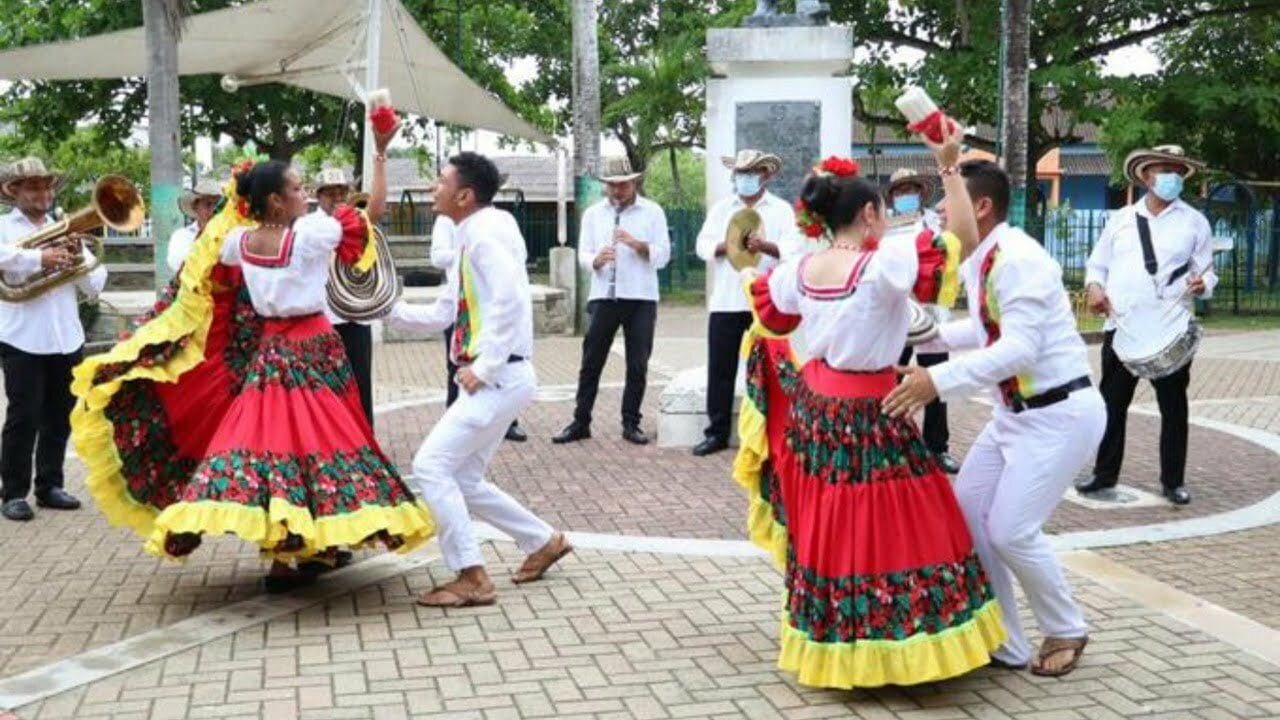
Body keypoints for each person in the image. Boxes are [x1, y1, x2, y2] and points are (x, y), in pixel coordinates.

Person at [70, 121, 434, 592]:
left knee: (276, 451)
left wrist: (236, 199)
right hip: (314, 351)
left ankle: (298, 554)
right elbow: (374, 214)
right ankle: (303, 551)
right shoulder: (309, 235)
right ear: (278, 202)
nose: (306, 195)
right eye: (298, 189)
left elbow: (201, 268)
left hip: (273, 356)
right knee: (321, 445)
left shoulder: (237, 242)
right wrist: (380, 153)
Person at [734, 124, 1003, 689]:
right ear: (872, 215)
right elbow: (963, 239)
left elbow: (773, 322)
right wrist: (948, 166)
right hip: (870, 408)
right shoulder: (881, 266)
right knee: (899, 519)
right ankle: (895, 647)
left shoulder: (799, 270)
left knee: (831, 520)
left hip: (818, 406)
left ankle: (836, 644)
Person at [884, 159, 1106, 678]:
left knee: (1010, 530)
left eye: (947, 201)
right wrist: (929, 340)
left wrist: (934, 381)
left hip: (1059, 415)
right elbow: (986, 327)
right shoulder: (979, 258)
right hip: (1013, 416)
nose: (938, 212)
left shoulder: (1019, 260)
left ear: (979, 207)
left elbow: (1020, 350)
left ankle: (1066, 625)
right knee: (966, 517)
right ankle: (1002, 638)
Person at [385, 152, 570, 608]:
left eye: (441, 181)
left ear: (464, 196)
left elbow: (509, 302)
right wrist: (384, 308)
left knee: (430, 467)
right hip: (503, 377)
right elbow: (447, 311)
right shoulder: (471, 235)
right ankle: (543, 540)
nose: (433, 187)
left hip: (498, 378)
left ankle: (471, 576)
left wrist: (484, 366)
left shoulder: (485, 236)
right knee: (463, 477)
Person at [1076, 145, 1213, 506]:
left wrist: (1204, 284)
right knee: (1112, 404)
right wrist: (1094, 289)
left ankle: (1173, 481)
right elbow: (1097, 266)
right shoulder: (1120, 219)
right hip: (1122, 327)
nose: (1170, 176)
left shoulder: (1195, 221)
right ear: (1145, 176)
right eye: (1162, 168)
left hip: (1170, 329)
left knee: (1174, 407)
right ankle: (1104, 474)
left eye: (1176, 170)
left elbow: (1206, 270)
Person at [0, 157, 108, 521]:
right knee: (23, 415)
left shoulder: (65, 229)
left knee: (59, 416)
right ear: (12, 191)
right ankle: (13, 492)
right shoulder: (3, 227)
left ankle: (50, 485)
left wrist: (77, 258)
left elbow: (95, 283)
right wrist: (39, 258)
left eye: (47, 186)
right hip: (22, 337)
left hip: (66, 335)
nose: (43, 193)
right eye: (33, 187)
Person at [553, 157, 671, 446]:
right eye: (612, 185)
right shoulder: (593, 214)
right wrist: (595, 260)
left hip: (641, 297)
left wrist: (638, 245)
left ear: (634, 183)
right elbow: (583, 254)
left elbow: (664, 255)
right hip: (604, 296)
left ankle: (631, 423)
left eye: (623, 184)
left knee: (637, 364)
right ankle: (581, 421)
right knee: (591, 361)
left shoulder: (652, 212)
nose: (617, 190)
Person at [693, 150, 799, 457]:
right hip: (726, 300)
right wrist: (724, 246)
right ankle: (717, 432)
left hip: (766, 301)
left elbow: (794, 249)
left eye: (751, 173)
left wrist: (764, 245)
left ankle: (774, 431)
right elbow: (701, 245)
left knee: (770, 367)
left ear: (765, 175)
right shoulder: (722, 208)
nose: (745, 179)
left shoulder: (780, 210)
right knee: (720, 368)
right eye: (740, 173)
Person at [884, 168, 960, 474]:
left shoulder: (934, 222)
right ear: (892, 196)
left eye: (911, 190)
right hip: (895, 314)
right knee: (890, 380)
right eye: (900, 191)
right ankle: (888, 442)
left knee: (936, 380)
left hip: (930, 313)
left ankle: (937, 447)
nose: (906, 196)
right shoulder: (884, 225)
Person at [432, 213, 526, 442]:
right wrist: (465, 252)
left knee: (499, 364)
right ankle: (455, 417)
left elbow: (519, 256)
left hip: (486, 310)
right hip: (463, 305)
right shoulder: (446, 221)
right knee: (458, 366)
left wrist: (477, 251)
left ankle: (505, 422)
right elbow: (437, 257)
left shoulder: (501, 221)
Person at [311, 166, 381, 429]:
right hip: (324, 320)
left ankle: (367, 443)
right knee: (327, 389)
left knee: (361, 384)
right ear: (319, 196)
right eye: (330, 192)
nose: (338, 196)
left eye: (342, 190)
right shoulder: (309, 226)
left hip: (356, 316)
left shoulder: (359, 221)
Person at [167, 179, 222, 273]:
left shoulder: (229, 234)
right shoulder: (182, 235)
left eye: (217, 205)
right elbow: (176, 263)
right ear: (195, 206)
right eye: (208, 204)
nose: (213, 210)